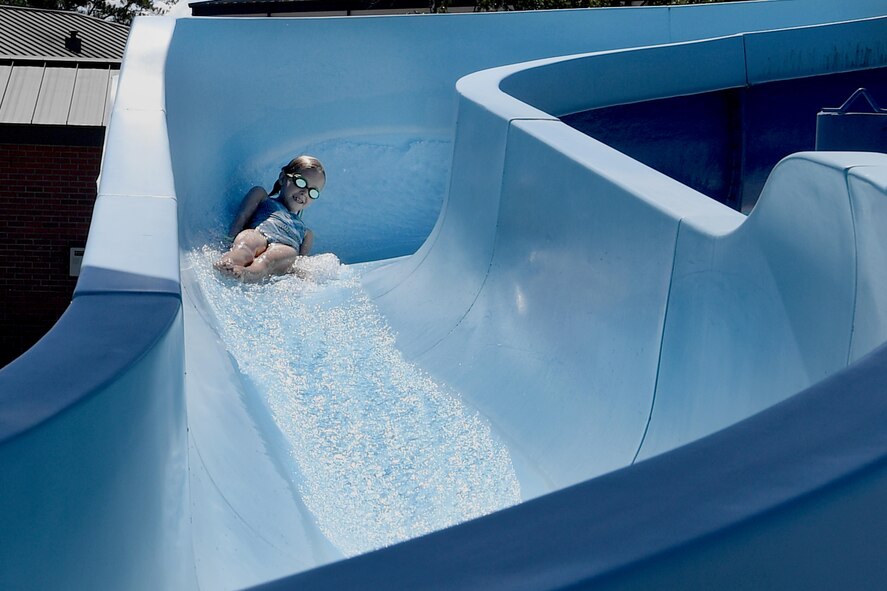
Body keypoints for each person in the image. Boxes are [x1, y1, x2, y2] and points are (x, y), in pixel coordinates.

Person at [215, 155, 326, 282]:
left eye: (313, 192)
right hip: (260, 233)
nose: (304, 193)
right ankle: (228, 261)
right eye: (301, 182)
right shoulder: (261, 195)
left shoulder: (307, 233)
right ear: (283, 178)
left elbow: (300, 262)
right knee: (247, 241)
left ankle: (247, 273)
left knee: (270, 259)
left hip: (285, 247)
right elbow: (242, 216)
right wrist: (229, 239)